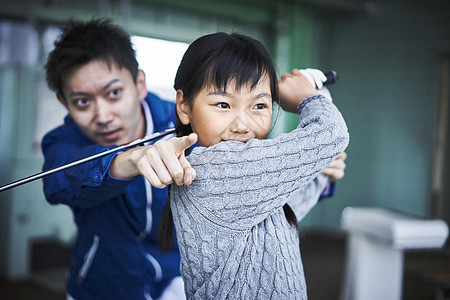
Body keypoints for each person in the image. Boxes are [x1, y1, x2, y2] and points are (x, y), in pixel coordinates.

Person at [42, 19, 345, 299]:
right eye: (82, 101)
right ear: (64, 101)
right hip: (105, 284)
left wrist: (320, 175)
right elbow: (57, 182)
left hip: (177, 281)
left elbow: (262, 207)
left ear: (139, 83)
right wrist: (130, 160)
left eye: (113, 93)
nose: (103, 116)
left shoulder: (187, 117)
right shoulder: (63, 142)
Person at [158, 32, 349, 299]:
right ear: (184, 106)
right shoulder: (212, 169)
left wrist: (322, 174)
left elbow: (284, 211)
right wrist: (309, 97)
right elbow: (332, 135)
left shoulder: (246, 171)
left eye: (259, 105)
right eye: (223, 104)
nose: (242, 125)